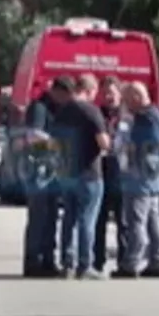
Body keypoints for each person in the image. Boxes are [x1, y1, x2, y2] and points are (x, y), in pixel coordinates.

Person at [51, 73, 109, 279]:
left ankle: (67, 262)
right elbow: (103, 142)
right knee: (87, 219)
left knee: (69, 218)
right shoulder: (91, 110)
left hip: (67, 172)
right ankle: (85, 265)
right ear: (90, 90)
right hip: (89, 172)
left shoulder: (62, 111)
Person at [115, 81, 159, 278]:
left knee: (136, 220)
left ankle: (131, 263)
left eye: (127, 99)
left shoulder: (144, 118)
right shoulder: (156, 115)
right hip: (154, 176)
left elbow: (140, 145)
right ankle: (158, 260)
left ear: (137, 97)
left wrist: (132, 158)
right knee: (154, 219)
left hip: (140, 175)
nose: (126, 104)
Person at [19, 78, 69, 278]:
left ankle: (48, 259)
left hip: (51, 167)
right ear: (56, 91)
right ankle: (34, 261)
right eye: (64, 95)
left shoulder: (57, 107)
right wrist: (58, 144)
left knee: (51, 215)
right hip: (38, 167)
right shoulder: (39, 107)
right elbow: (33, 135)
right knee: (39, 215)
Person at [94, 75, 125, 271]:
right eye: (105, 93)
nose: (108, 97)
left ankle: (124, 262)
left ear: (119, 94)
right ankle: (97, 260)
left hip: (122, 174)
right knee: (99, 220)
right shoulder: (97, 114)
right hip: (100, 172)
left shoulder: (127, 115)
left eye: (112, 93)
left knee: (124, 222)